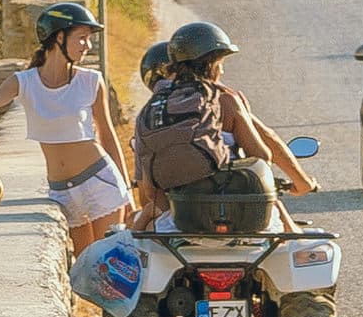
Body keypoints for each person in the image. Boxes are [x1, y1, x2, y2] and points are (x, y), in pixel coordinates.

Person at [0, 1, 133, 253]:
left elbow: (107, 136)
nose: (87, 46)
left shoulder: (91, 81)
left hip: (99, 181)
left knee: (106, 264)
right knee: (82, 269)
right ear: (58, 37)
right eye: (82, 38)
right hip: (61, 191)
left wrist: (128, 193)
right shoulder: (24, 82)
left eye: (88, 39)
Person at [131, 21, 319, 232]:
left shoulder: (151, 110)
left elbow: (148, 191)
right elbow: (262, 156)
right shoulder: (224, 99)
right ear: (211, 65)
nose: (222, 69)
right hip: (241, 218)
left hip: (180, 222)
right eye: (220, 62)